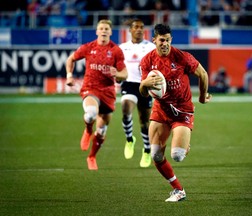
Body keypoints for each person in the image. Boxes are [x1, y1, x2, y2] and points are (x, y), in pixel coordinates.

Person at [139, 24, 212, 202]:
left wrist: (202, 97)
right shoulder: (147, 61)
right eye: (162, 40)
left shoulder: (181, 57)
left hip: (182, 110)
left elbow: (202, 74)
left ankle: (184, 144)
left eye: (168, 40)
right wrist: (144, 85)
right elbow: (142, 91)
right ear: (154, 40)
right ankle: (178, 190)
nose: (165, 43)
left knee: (177, 156)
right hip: (161, 110)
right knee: (156, 155)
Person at [65, 19, 128, 171]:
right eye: (101, 28)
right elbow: (71, 58)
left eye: (107, 28)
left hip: (107, 92)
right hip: (90, 88)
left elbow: (124, 74)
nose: (104, 30)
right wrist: (69, 76)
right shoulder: (88, 47)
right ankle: (87, 130)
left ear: (111, 32)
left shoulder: (116, 50)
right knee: (91, 113)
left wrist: (117, 74)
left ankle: (92, 157)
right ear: (97, 31)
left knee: (102, 130)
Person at [119, 19, 156, 168]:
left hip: (145, 85)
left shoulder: (151, 47)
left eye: (142, 27)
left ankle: (147, 150)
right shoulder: (122, 48)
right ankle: (129, 139)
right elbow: (118, 66)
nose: (139, 29)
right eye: (136, 27)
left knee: (144, 122)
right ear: (130, 30)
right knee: (126, 109)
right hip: (128, 83)